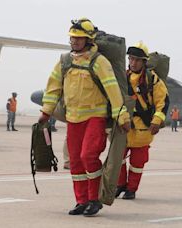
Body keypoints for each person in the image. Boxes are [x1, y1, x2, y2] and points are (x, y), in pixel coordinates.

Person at [39, 18, 130, 216]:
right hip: (73, 119)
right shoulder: (64, 61)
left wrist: (121, 116)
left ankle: (94, 199)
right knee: (76, 161)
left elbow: (113, 90)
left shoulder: (99, 62)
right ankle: (81, 201)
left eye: (79, 38)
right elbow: (53, 87)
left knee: (88, 156)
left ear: (89, 40)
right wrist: (46, 111)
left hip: (94, 117)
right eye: (72, 38)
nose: (74, 42)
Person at [116, 41, 169, 200]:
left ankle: (131, 189)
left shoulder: (152, 79)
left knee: (137, 163)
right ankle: (119, 185)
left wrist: (157, 121)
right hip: (124, 125)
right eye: (131, 59)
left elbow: (163, 101)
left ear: (144, 62)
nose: (133, 62)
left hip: (143, 129)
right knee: (117, 158)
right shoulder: (122, 77)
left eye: (137, 60)